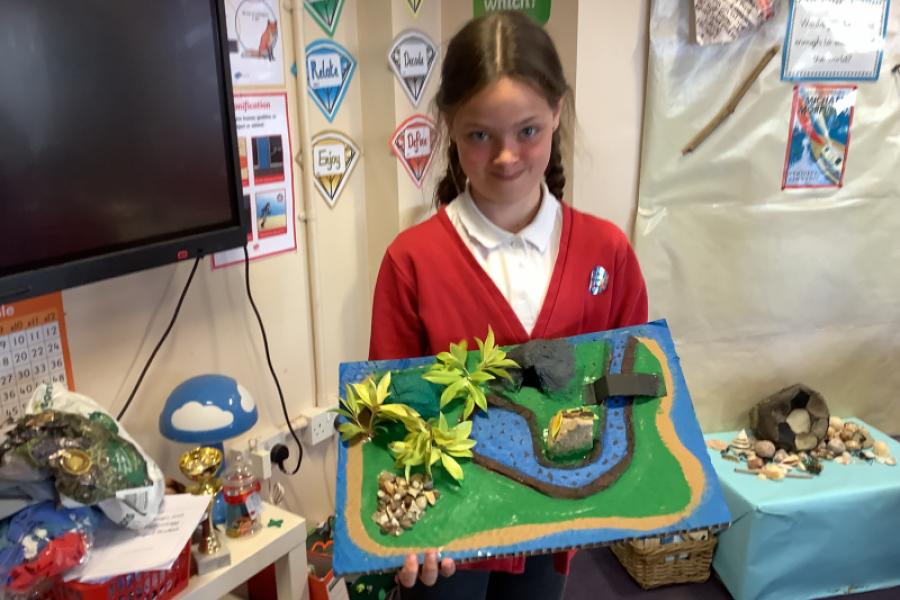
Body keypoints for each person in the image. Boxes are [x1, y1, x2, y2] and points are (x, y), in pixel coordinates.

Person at [368, 10, 648, 600]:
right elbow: (388, 414)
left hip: (554, 523)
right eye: (480, 135)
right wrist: (402, 524)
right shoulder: (412, 262)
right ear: (450, 125)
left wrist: (632, 489)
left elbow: (633, 390)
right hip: (449, 534)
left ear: (557, 113)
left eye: (528, 131)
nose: (505, 156)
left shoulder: (606, 253)